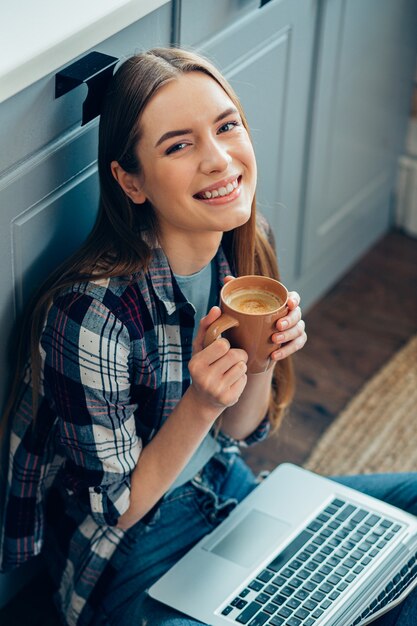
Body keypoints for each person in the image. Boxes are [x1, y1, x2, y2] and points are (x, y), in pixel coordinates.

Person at [0, 47, 415, 626]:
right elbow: (117, 511)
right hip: (134, 557)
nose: (220, 159)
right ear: (130, 180)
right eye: (178, 145)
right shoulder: (89, 316)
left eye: (226, 126)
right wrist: (201, 402)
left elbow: (239, 432)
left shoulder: (245, 241)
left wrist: (262, 361)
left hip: (230, 489)